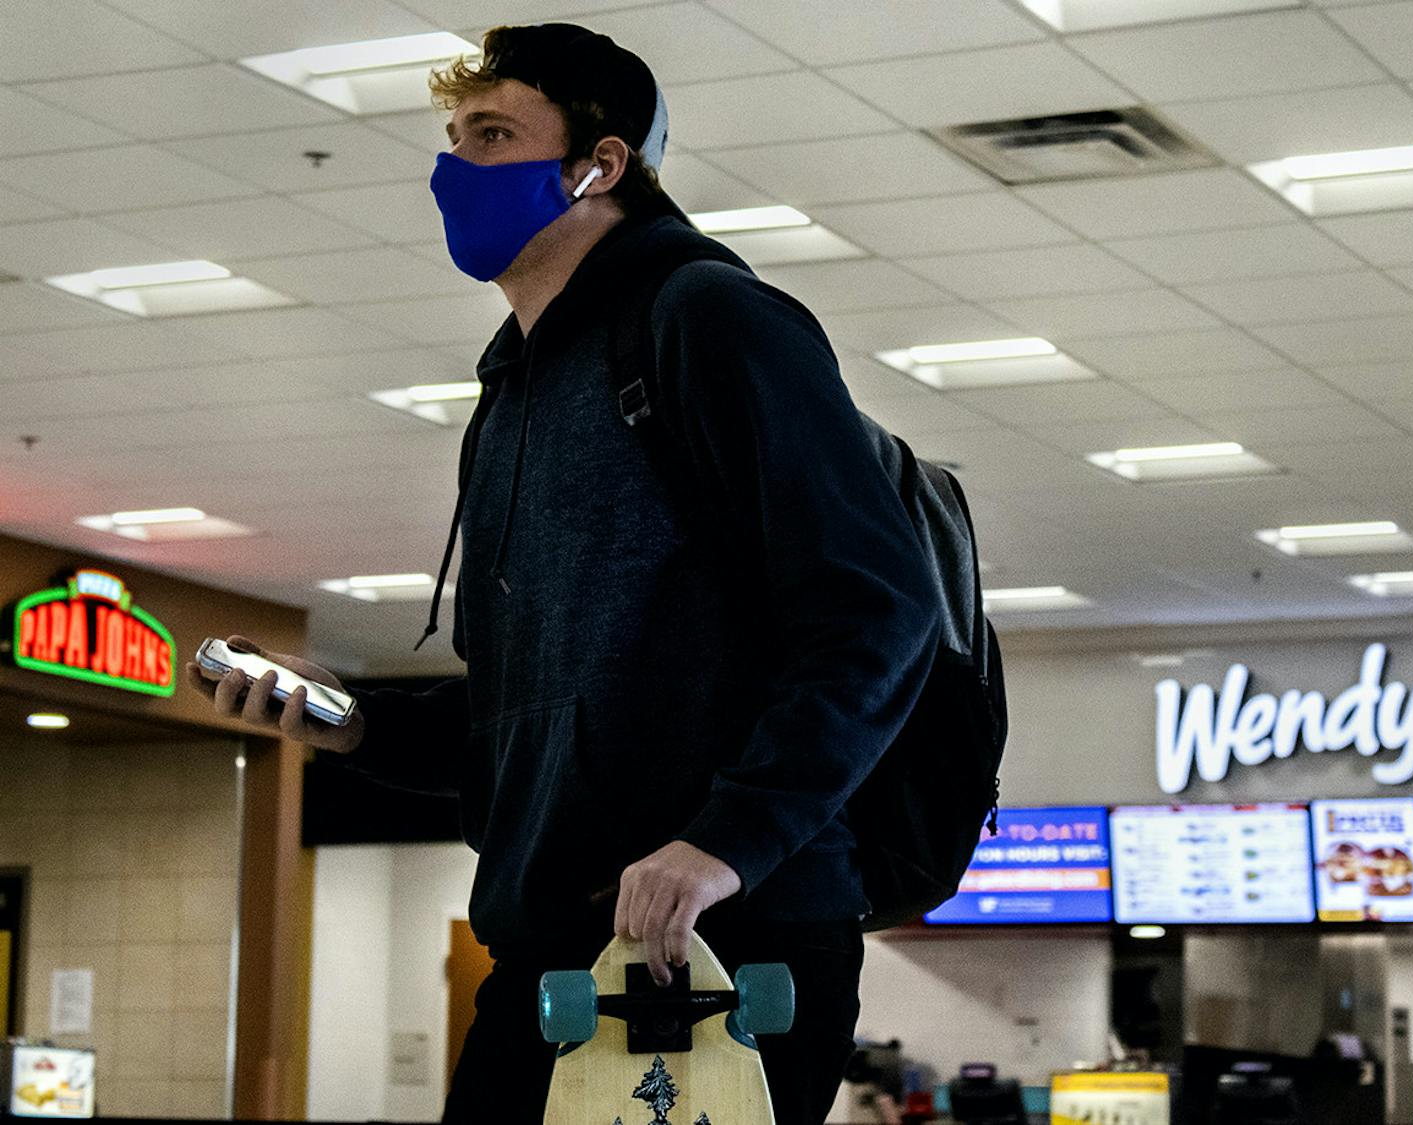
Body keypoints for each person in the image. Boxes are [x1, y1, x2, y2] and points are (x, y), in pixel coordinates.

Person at [187, 22, 938, 1124]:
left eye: (493, 134)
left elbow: (878, 605)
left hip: (724, 945)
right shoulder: (512, 397)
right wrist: (352, 724)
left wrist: (726, 841)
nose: (455, 170)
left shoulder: (710, 321)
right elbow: (533, 714)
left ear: (602, 163)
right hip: (549, 946)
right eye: (451, 139)